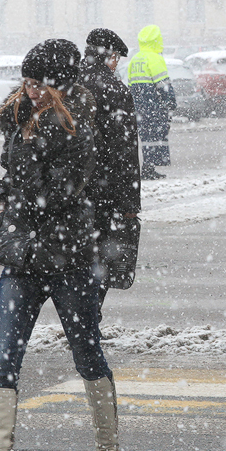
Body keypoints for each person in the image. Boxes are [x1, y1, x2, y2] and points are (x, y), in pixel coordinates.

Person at [0, 39, 127, 451]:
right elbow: (14, 183)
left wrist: (26, 214)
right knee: (3, 360)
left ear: (60, 85)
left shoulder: (78, 127)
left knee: (87, 354)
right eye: (26, 82)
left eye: (39, 84)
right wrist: (0, 201)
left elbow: (66, 199)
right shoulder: (23, 122)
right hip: (22, 262)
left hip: (68, 262)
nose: (29, 92)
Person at [76, 28, 142, 308]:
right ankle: (90, 316)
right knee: (101, 255)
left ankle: (76, 313)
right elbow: (126, 152)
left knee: (76, 254)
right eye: (116, 60)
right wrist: (130, 202)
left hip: (71, 187)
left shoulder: (70, 83)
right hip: (105, 188)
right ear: (111, 57)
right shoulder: (115, 90)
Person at [127, 25, 176, 180]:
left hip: (138, 107)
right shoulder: (155, 58)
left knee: (146, 138)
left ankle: (147, 167)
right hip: (153, 105)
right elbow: (163, 85)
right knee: (156, 136)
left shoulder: (135, 59)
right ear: (157, 40)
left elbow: (130, 85)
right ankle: (150, 167)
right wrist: (170, 102)